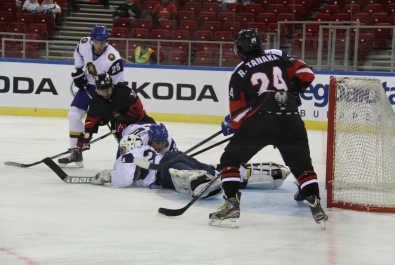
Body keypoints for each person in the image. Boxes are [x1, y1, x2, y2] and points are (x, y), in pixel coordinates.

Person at [208, 28, 328, 228]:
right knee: (303, 167)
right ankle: (316, 205)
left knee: (229, 159)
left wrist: (234, 124)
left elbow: (238, 117)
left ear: (241, 48)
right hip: (291, 119)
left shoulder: (240, 71)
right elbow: (307, 73)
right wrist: (294, 92)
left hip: (261, 124)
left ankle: (231, 205)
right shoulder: (278, 59)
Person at [91, 134, 290, 199]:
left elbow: (126, 178)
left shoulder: (129, 157)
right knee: (213, 168)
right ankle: (243, 174)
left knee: (187, 175)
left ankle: (203, 181)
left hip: (165, 170)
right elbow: (144, 166)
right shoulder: (143, 152)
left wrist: (109, 177)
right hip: (173, 157)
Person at [58, 25, 124, 168]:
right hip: (88, 86)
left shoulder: (113, 58)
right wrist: (78, 69)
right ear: (92, 40)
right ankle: (75, 152)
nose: (100, 46)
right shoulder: (84, 43)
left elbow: (118, 84)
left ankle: (126, 156)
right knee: (74, 115)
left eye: (103, 42)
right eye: (97, 42)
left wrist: (108, 104)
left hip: (106, 91)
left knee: (116, 125)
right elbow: (77, 52)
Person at [74, 73, 156, 160]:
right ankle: (126, 165)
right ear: (98, 90)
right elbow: (91, 120)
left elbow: (138, 110)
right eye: (102, 91)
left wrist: (123, 120)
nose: (106, 93)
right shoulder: (96, 101)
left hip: (141, 121)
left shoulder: (124, 92)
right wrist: (86, 138)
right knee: (126, 149)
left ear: (112, 86)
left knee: (155, 138)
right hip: (120, 126)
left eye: (108, 90)